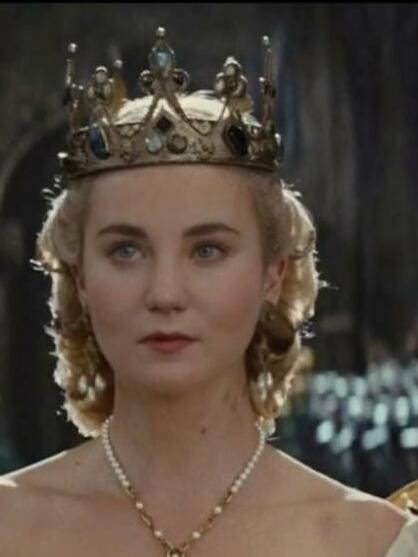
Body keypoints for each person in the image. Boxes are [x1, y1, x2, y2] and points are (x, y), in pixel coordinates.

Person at [1, 27, 417, 557]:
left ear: (273, 274)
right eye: (126, 250)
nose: (165, 294)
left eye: (207, 250)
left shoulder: (371, 541)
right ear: (80, 277)